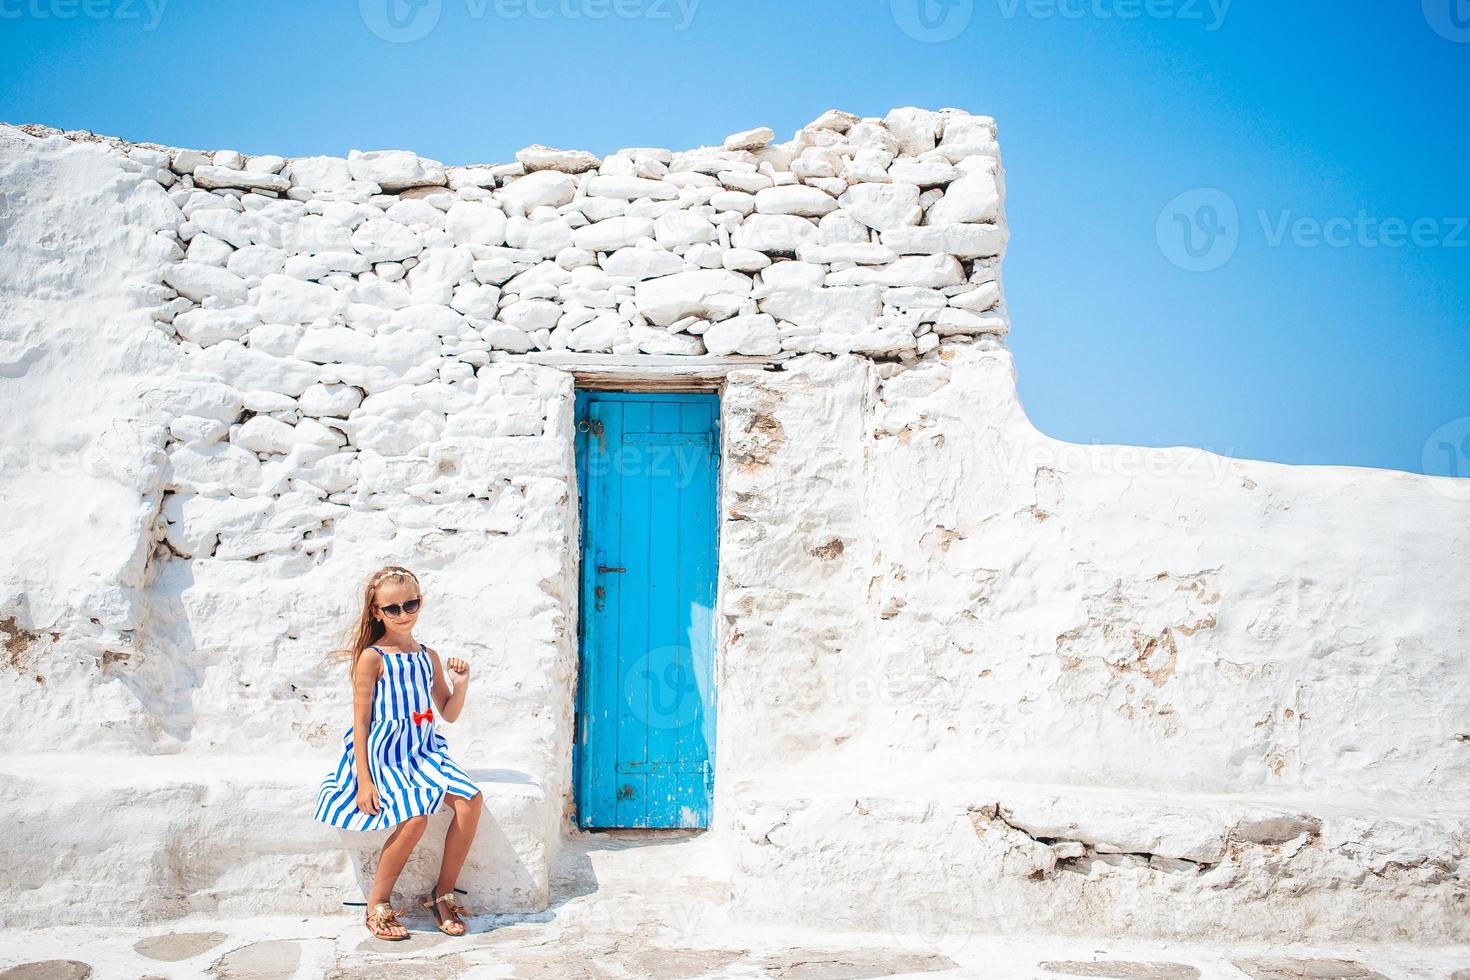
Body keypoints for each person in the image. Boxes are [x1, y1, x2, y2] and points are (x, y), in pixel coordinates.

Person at [313, 564, 482, 940]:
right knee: (414, 817)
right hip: (384, 755)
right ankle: (378, 904)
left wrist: (461, 685)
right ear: (377, 612)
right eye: (393, 609)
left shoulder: (428, 656)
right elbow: (360, 724)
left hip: (423, 752)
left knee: (471, 801)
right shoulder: (373, 658)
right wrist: (364, 780)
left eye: (411, 604)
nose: (403, 614)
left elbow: (448, 714)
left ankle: (443, 893)